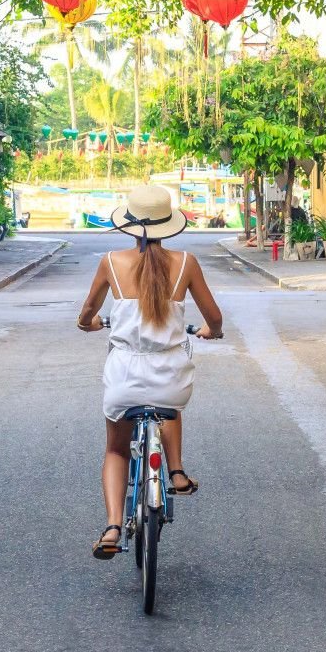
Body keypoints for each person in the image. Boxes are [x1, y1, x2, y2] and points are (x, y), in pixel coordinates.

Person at [76, 184, 223, 559]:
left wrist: (90, 323)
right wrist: (212, 332)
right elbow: (214, 318)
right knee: (168, 404)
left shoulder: (110, 262)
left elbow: (86, 314)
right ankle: (175, 471)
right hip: (171, 376)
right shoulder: (186, 263)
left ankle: (112, 526)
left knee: (116, 448)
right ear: (169, 225)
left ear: (128, 224)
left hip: (124, 377)